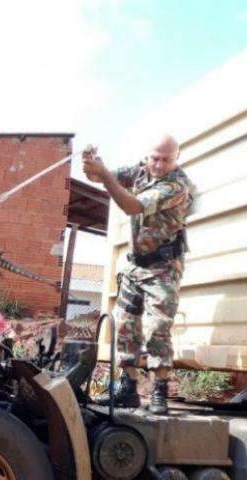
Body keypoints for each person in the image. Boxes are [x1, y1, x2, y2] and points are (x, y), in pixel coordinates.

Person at [82, 134, 193, 414]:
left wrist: (104, 174)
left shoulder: (176, 185)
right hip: (135, 266)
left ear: (176, 159)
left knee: (158, 329)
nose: (158, 164)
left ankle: (159, 390)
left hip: (163, 269)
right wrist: (92, 164)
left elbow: (132, 205)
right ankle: (127, 388)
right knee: (125, 325)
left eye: (166, 159)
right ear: (148, 155)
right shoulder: (141, 171)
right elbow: (100, 177)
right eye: (155, 158)